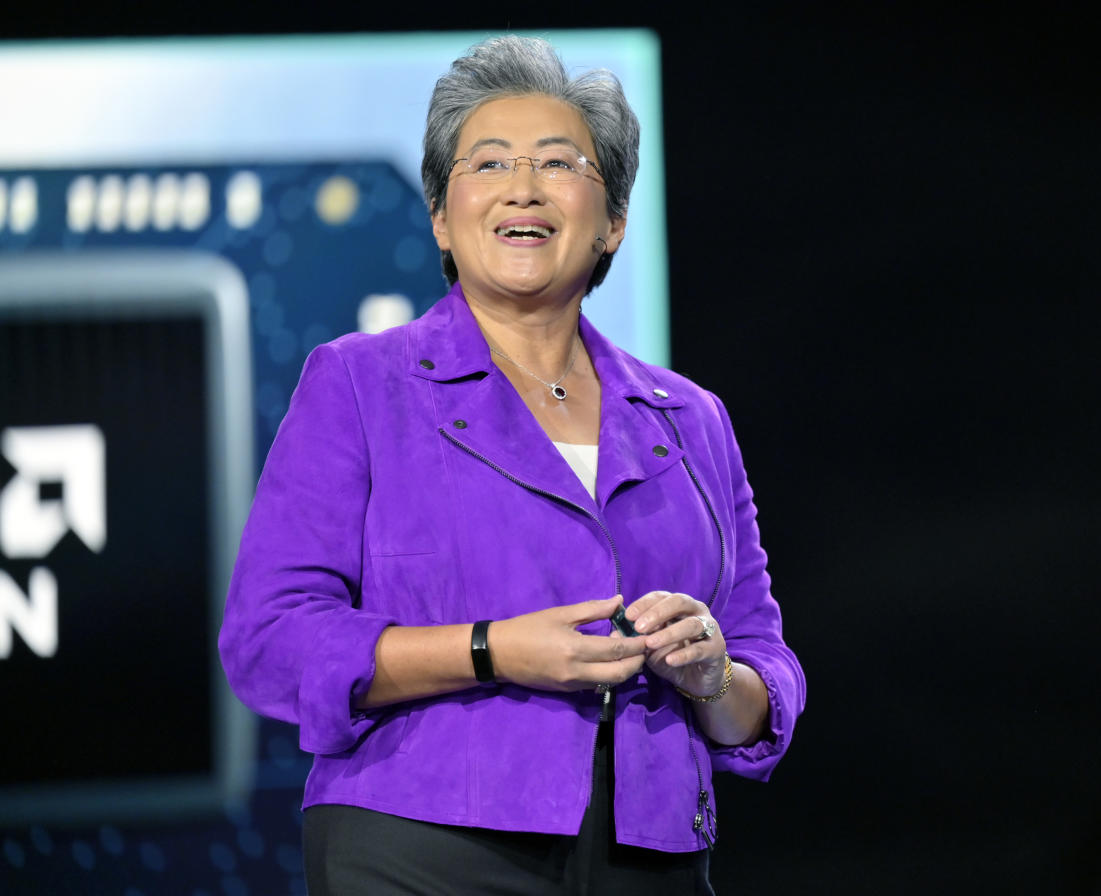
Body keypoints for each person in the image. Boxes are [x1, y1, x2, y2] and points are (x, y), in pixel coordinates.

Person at [219, 35, 805, 895]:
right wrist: (493, 650)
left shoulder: (693, 419)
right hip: (420, 842)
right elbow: (270, 640)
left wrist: (715, 676)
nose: (523, 187)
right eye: (487, 163)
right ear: (440, 218)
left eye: (560, 163)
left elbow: (762, 664)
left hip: (655, 855)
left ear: (612, 221)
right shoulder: (358, 384)